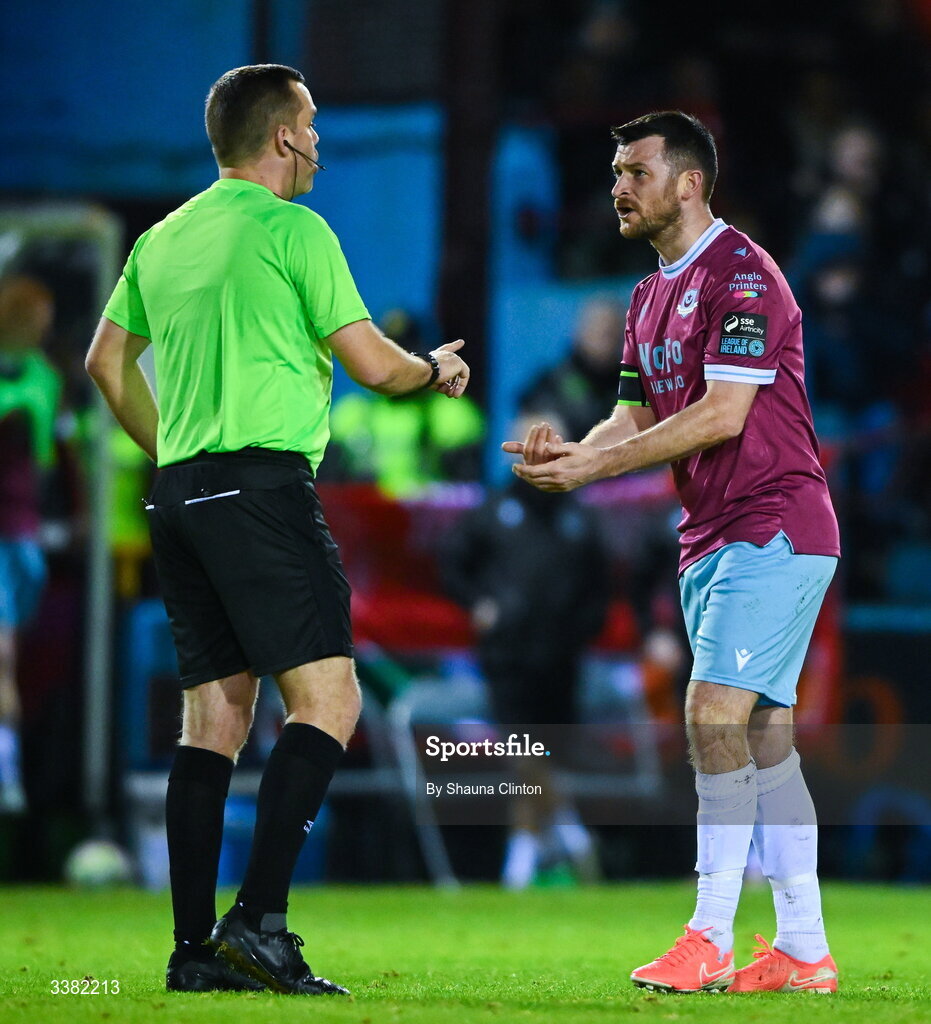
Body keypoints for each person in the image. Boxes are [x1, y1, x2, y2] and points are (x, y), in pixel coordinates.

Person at [85, 64, 470, 996]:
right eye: (313, 126)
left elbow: (104, 362)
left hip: (180, 496)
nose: (321, 143)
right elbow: (373, 365)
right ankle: (257, 922)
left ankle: (190, 953)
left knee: (213, 718)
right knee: (329, 705)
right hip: (260, 489)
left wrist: (174, 447)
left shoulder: (162, 237)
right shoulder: (296, 230)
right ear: (285, 137)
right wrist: (432, 370)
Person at [504, 111, 841, 994]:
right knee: (764, 738)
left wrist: (599, 469)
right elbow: (638, 415)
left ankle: (709, 936)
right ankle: (805, 949)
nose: (618, 186)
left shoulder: (742, 274)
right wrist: (578, 452)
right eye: (615, 172)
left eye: (636, 171)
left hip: (772, 523)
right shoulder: (648, 296)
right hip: (711, 535)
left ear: (689, 182)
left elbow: (724, 412)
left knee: (710, 715)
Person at [445, 413, 609, 887]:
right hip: (508, 656)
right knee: (523, 751)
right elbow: (452, 565)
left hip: (563, 656)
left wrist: (585, 627)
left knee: (551, 754)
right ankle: (567, 838)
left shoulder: (579, 516)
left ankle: (531, 848)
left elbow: (599, 584)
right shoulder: (493, 511)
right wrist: (479, 604)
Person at [0, 276, 62, 814]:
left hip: (24, 532)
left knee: (15, 656)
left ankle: (13, 764)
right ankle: (8, 769)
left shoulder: (44, 378)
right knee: (2, 653)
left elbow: (50, 457)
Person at [518, 297, 626, 443]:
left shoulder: (632, 382)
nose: (604, 338)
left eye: (610, 331)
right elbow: (528, 425)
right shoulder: (551, 382)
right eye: (596, 329)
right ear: (580, 332)